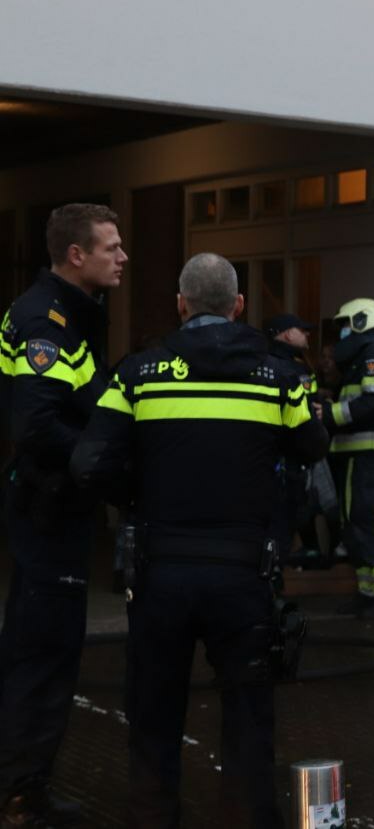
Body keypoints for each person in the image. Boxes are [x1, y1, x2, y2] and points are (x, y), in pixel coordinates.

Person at [70, 253, 327, 829]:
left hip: (160, 573)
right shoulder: (279, 378)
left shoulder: (136, 373)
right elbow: (312, 447)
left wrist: (135, 496)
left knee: (154, 714)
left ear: (180, 304)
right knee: (248, 714)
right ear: (239, 307)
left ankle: (153, 817)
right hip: (244, 578)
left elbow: (89, 463)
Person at [0, 203, 126, 827]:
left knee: (36, 652)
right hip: (48, 515)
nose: (122, 257)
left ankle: (23, 787)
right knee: (43, 656)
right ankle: (22, 798)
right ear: (76, 255)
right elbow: (38, 423)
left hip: (52, 511)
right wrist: (106, 465)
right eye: (111, 247)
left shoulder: (71, 317)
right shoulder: (45, 322)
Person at [316, 298, 374, 618]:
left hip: (370, 455)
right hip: (357, 454)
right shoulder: (362, 356)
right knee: (354, 524)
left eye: (345, 325)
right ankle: (371, 592)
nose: (341, 333)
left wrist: (329, 414)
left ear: (360, 322)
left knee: (368, 520)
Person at [263, 313, 325, 568]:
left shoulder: (273, 363)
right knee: (279, 530)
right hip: (286, 463)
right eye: (302, 329)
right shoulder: (289, 369)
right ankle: (270, 587)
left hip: (279, 461)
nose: (307, 334)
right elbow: (302, 419)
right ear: (287, 334)